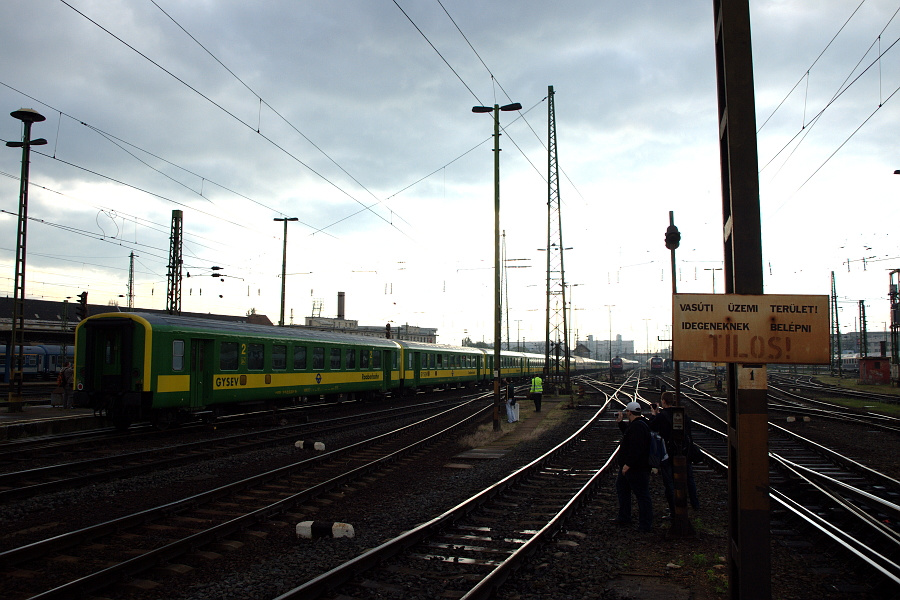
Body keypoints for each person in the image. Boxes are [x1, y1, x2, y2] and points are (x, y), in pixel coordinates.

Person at [649, 391, 700, 515]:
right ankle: (695, 504)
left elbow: (652, 427)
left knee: (670, 482)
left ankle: (674, 508)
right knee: (689, 478)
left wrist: (653, 414)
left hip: (669, 453)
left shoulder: (662, 416)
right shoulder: (682, 415)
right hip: (684, 451)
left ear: (664, 402)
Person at [612, 401, 653, 532]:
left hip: (636, 468)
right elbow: (629, 436)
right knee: (622, 488)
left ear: (629, 412)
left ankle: (645, 524)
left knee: (642, 495)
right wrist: (620, 423)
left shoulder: (638, 427)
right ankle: (624, 516)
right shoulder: (637, 425)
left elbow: (636, 448)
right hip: (632, 467)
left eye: (626, 412)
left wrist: (628, 465)